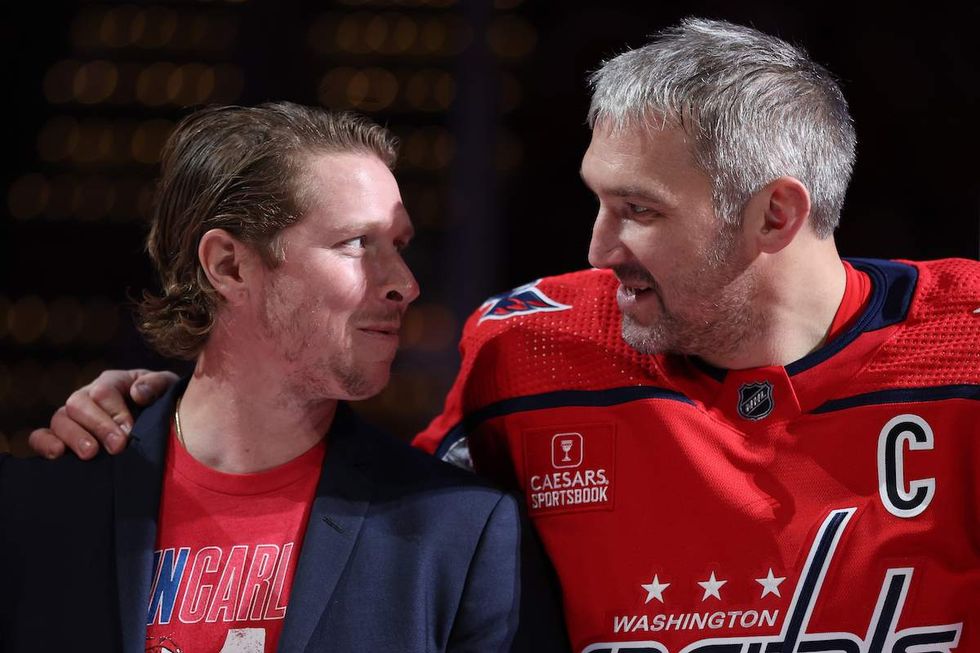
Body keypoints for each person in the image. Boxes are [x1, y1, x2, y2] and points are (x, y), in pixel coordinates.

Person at [28, 19, 980, 653]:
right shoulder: (527, 350)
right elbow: (361, 520)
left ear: (776, 216)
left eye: (637, 208)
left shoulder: (967, 345)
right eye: (596, 199)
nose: (598, 245)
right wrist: (158, 415)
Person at [1, 102, 564, 652]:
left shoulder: (463, 534)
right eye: (355, 244)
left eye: (398, 246)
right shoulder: (36, 510)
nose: (405, 284)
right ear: (229, 266)